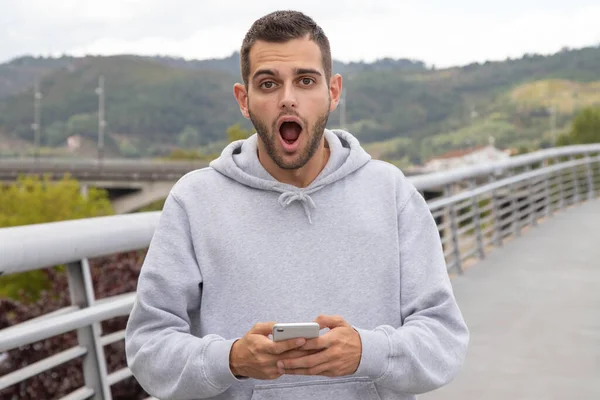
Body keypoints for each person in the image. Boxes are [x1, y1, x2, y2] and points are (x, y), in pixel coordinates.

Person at [125, 9, 469, 400]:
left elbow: (444, 340)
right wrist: (232, 359)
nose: (288, 99)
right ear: (244, 99)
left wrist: (368, 353)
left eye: (306, 81)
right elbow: (148, 348)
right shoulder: (194, 200)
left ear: (333, 92)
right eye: (268, 84)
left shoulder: (391, 192)